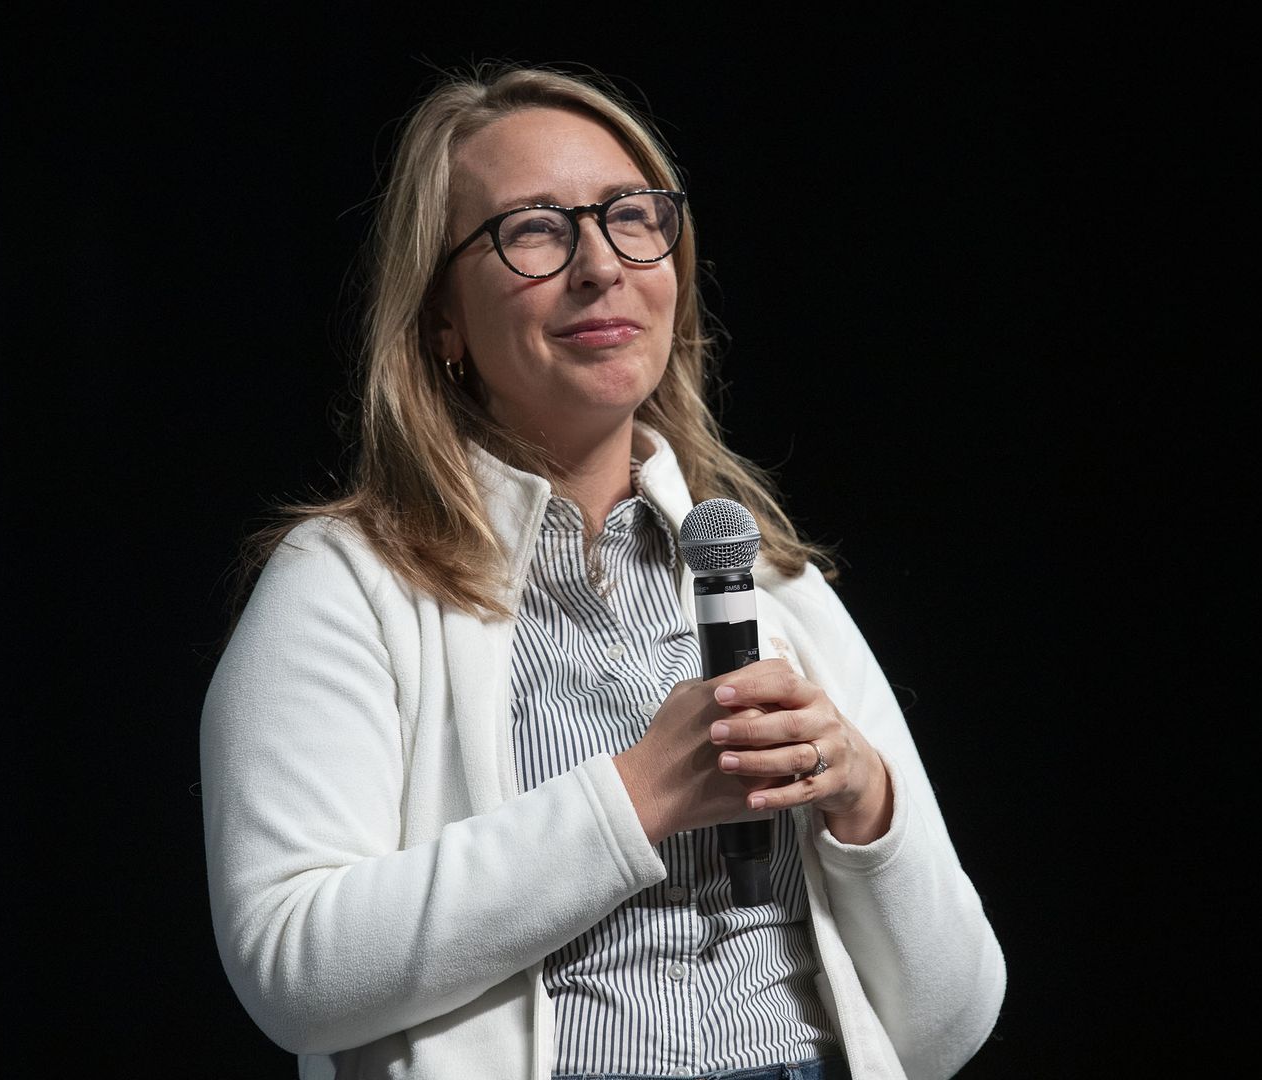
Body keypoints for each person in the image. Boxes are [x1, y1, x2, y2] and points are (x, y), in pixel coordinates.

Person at [200, 64, 1005, 1080]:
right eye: (534, 229)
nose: (600, 265)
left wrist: (864, 806)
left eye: (631, 217)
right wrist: (635, 797)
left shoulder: (771, 585)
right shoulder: (348, 582)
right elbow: (294, 969)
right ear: (441, 317)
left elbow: (950, 1024)